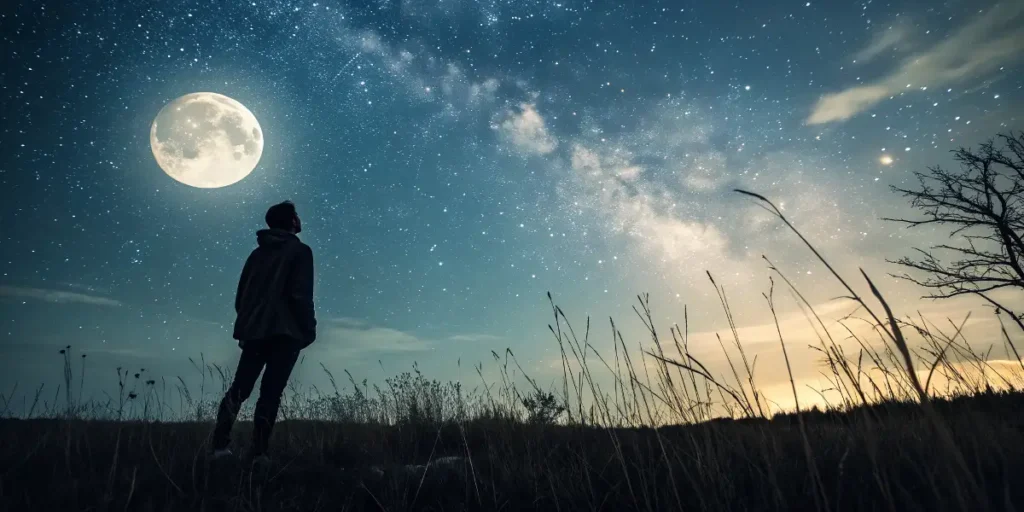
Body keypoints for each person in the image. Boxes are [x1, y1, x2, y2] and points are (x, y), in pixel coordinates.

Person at [211, 200, 317, 462]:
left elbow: (241, 297)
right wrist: (309, 329)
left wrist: (248, 326)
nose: (299, 219)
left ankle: (218, 448)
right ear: (292, 221)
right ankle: (258, 453)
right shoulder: (300, 251)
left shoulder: (256, 255)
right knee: (271, 392)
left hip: (255, 332)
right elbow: (300, 295)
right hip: (286, 333)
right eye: (297, 215)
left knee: (239, 389)